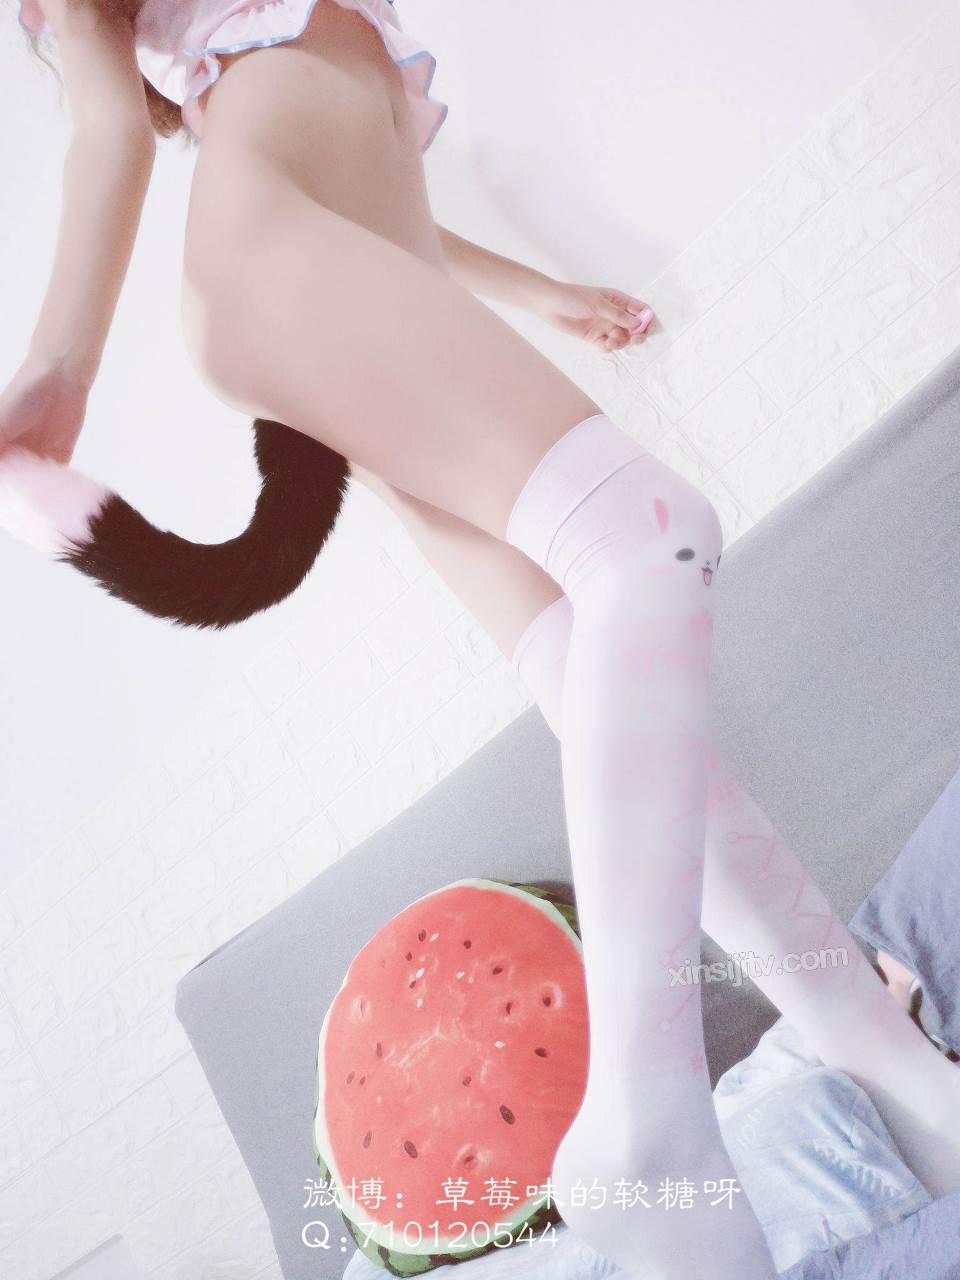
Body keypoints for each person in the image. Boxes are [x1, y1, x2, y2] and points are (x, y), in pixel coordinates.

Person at [3, 3, 959, 1275]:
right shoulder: (151, 52)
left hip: (325, 271)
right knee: (654, 535)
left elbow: (386, 211)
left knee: (585, 656)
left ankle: (880, 1057)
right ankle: (649, 1114)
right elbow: (105, 124)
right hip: (275, 265)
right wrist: (57, 375)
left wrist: (540, 292)